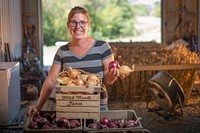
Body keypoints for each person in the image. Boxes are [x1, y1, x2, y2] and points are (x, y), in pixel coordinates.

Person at [27, 6, 120, 116]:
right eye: (73, 22)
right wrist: (38, 107)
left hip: (97, 109)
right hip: (69, 110)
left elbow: (108, 80)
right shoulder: (62, 51)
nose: (78, 26)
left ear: (88, 25)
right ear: (68, 25)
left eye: (82, 22)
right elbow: (51, 80)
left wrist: (113, 76)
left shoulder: (103, 47)